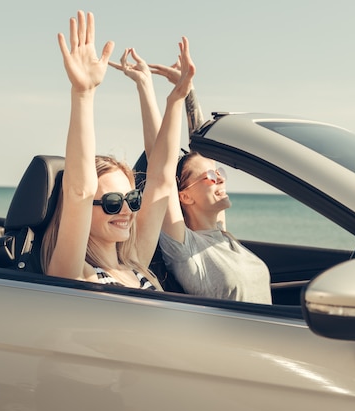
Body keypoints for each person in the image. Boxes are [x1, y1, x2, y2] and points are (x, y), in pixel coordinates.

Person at [40, 10, 195, 290]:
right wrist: (83, 94)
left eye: (132, 199)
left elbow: (160, 179)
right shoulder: (76, 274)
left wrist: (176, 100)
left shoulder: (135, 261)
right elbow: (79, 192)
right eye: (112, 202)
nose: (126, 210)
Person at [110, 51, 272, 303]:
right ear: (184, 196)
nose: (219, 178)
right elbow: (159, 166)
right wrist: (145, 85)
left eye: (219, 172)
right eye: (209, 175)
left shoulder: (221, 233)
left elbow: (205, 150)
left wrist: (188, 89)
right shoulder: (185, 248)